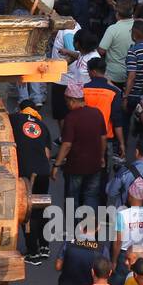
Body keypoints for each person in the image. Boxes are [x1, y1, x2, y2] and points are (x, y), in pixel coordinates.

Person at [54, 82, 109, 210]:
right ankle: (90, 226)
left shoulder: (71, 118)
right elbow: (103, 137)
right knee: (91, 195)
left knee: (72, 198)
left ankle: (73, 227)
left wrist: (57, 164)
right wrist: (101, 157)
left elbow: (67, 144)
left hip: (75, 166)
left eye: (66, 101)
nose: (66, 104)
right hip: (94, 165)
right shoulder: (97, 113)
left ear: (72, 100)